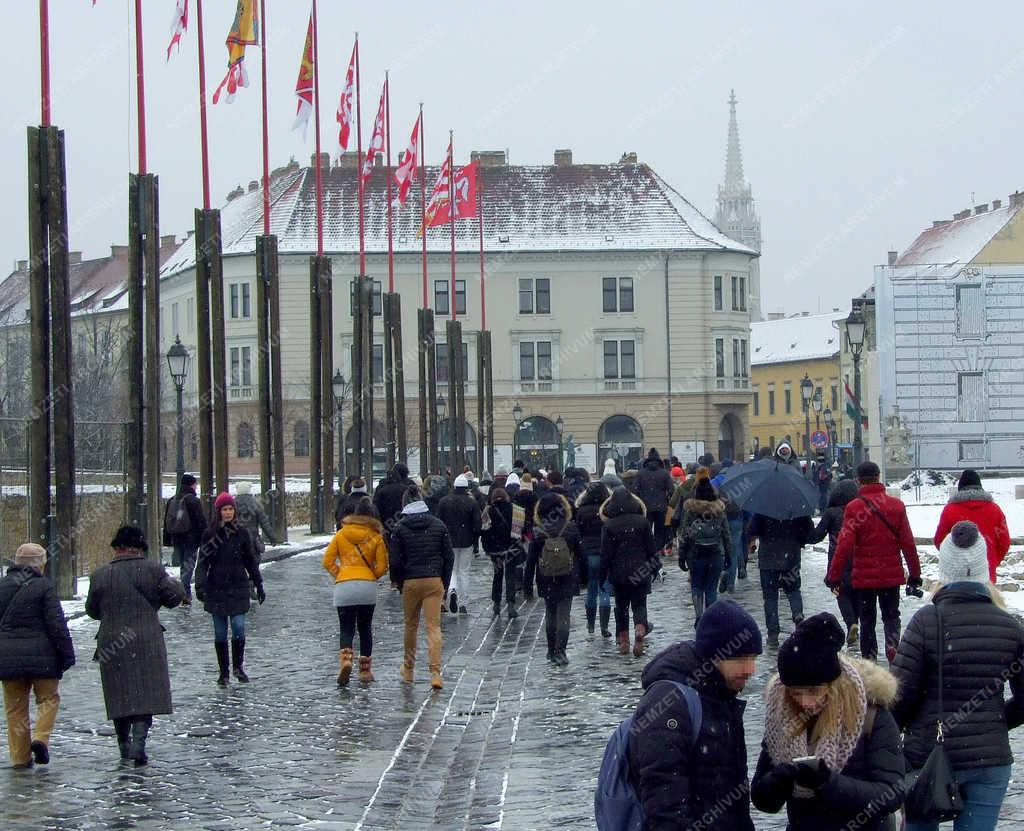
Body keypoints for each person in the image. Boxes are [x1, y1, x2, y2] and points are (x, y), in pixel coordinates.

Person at [892, 521, 1024, 831]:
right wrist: (994, 721)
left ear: (944, 570)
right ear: (983, 569)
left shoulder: (926, 621)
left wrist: (908, 732)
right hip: (989, 760)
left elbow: (899, 696)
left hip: (927, 755)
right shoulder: (1010, 625)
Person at [751, 613, 904, 830]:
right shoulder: (781, 716)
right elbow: (761, 799)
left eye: (814, 691)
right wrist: (777, 782)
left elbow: (892, 793)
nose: (806, 702)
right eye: (796, 693)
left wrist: (829, 783)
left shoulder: (871, 713)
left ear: (832, 685)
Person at [630, 599, 763, 830]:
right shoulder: (669, 702)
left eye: (753, 659)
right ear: (715, 655)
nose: (751, 670)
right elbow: (664, 801)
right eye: (742, 659)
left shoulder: (721, 694)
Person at [86, 526, 185, 766]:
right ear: (140, 546)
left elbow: (91, 610)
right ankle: (139, 743)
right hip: (146, 638)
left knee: (118, 693)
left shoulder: (100, 575)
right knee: (145, 692)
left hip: (111, 640)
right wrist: (176, 585)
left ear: (116, 547)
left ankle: (124, 744)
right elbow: (173, 600)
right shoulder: (153, 570)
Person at [826, 461, 921, 663]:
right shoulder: (896, 506)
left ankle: (870, 660)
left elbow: (843, 546)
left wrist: (834, 577)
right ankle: (892, 645)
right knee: (891, 616)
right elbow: (908, 544)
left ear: (858, 481)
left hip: (864, 578)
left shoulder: (854, 508)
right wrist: (915, 574)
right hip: (890, 576)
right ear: (879, 477)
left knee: (867, 620)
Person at [0, 543, 75, 769]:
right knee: (48, 699)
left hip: (9, 659)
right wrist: (66, 655)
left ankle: (20, 758)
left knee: (15, 709)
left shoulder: (2, 586)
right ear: (40, 564)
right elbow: (56, 625)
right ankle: (40, 738)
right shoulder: (44, 587)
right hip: (43, 658)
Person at [195, 492, 265, 685]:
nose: (228, 513)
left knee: (238, 627)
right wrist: (200, 586)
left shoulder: (242, 533)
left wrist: (258, 583)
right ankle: (223, 672)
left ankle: (238, 667)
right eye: (224, 509)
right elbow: (202, 563)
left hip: (238, 585)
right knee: (219, 632)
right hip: (216, 587)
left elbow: (250, 561)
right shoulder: (210, 534)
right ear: (219, 512)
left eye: (230, 509)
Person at [389, 486, 453, 690]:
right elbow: (448, 556)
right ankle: (435, 672)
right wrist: (444, 580)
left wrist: (398, 582)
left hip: (411, 581)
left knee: (411, 625)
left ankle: (408, 670)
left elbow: (395, 560)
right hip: (434, 580)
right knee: (433, 627)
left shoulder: (399, 528)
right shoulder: (438, 525)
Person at [322, 497, 389, 686]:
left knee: (346, 628)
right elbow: (383, 566)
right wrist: (370, 575)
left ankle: (345, 660)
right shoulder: (376, 536)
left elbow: (327, 561)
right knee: (365, 628)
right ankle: (365, 671)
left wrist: (341, 574)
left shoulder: (342, 534)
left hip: (344, 586)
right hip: (367, 587)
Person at [600, 486, 660, 657]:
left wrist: (602, 577)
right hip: (640, 570)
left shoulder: (609, 526)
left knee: (621, 607)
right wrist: (655, 567)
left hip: (619, 573)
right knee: (640, 604)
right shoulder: (642, 522)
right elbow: (651, 548)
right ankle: (640, 628)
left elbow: (605, 554)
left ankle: (624, 640)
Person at [526, 491, 583, 665]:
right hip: (567, 576)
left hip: (546, 577)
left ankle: (551, 650)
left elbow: (530, 561)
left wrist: (527, 586)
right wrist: (584, 578)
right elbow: (581, 555)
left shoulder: (538, 531)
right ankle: (561, 651)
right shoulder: (571, 528)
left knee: (550, 613)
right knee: (564, 614)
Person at [747, 508, 813, 648]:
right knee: (793, 590)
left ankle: (772, 633)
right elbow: (808, 531)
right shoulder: (797, 506)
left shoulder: (765, 507)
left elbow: (752, 529)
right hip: (791, 557)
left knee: (770, 597)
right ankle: (797, 613)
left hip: (768, 559)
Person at [933, 469, 1010, 584]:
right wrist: (991, 561)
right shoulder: (995, 510)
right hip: (986, 574)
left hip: (956, 574)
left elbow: (940, 540)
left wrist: (954, 557)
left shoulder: (950, 510)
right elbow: (1004, 542)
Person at [808, 478, 861, 644]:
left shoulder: (831, 513)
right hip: (859, 558)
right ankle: (856, 621)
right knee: (858, 592)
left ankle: (851, 622)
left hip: (838, 560)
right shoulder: (861, 511)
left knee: (841, 592)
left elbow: (816, 536)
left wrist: (807, 525)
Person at [677, 477, 731, 621]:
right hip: (715, 553)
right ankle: (710, 618)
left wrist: (681, 556)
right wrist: (729, 556)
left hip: (695, 554)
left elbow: (685, 535)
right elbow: (726, 535)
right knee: (711, 588)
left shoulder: (691, 511)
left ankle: (699, 615)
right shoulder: (719, 511)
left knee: (696, 585)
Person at [436, 473, 482, 614]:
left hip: (449, 540)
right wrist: (475, 540)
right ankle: (463, 603)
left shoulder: (443, 501)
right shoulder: (471, 502)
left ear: (454, 487)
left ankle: (452, 590)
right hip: (466, 540)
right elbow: (477, 524)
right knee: (464, 571)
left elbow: (439, 522)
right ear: (466, 488)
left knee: (452, 570)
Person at [162, 472, 206, 604]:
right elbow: (200, 522)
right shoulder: (193, 501)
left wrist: (167, 539)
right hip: (191, 539)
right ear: (192, 485)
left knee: (183, 565)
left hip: (176, 538)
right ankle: (185, 593)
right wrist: (205, 537)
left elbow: (166, 521)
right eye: (195, 484)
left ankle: (183, 592)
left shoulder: (172, 500)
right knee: (188, 566)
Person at [575, 482, 612, 637]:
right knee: (604, 588)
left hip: (588, 554)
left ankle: (591, 625)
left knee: (591, 589)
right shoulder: (607, 510)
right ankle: (604, 627)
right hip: (604, 553)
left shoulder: (582, 510)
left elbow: (578, 532)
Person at [481, 487, 522, 619]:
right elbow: (520, 531)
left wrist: (487, 548)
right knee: (510, 575)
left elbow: (485, 531)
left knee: (497, 574)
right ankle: (510, 604)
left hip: (495, 549)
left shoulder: (488, 511)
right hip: (511, 548)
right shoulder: (515, 510)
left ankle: (496, 603)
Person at [635, 448, 675, 554]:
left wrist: (641, 500)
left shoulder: (640, 474)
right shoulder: (664, 473)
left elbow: (635, 490)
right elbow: (672, 490)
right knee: (659, 530)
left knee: (646, 530)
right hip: (661, 506)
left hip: (646, 506)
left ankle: (647, 550)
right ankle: (659, 549)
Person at [372, 463, 414, 546]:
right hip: (404, 521)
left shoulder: (381, 488)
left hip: (386, 522)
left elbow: (376, 507)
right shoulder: (408, 486)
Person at [234, 481, 278, 557]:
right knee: (253, 563)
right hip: (253, 540)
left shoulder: (233, 504)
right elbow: (264, 523)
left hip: (236, 540)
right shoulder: (255, 504)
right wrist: (272, 538)